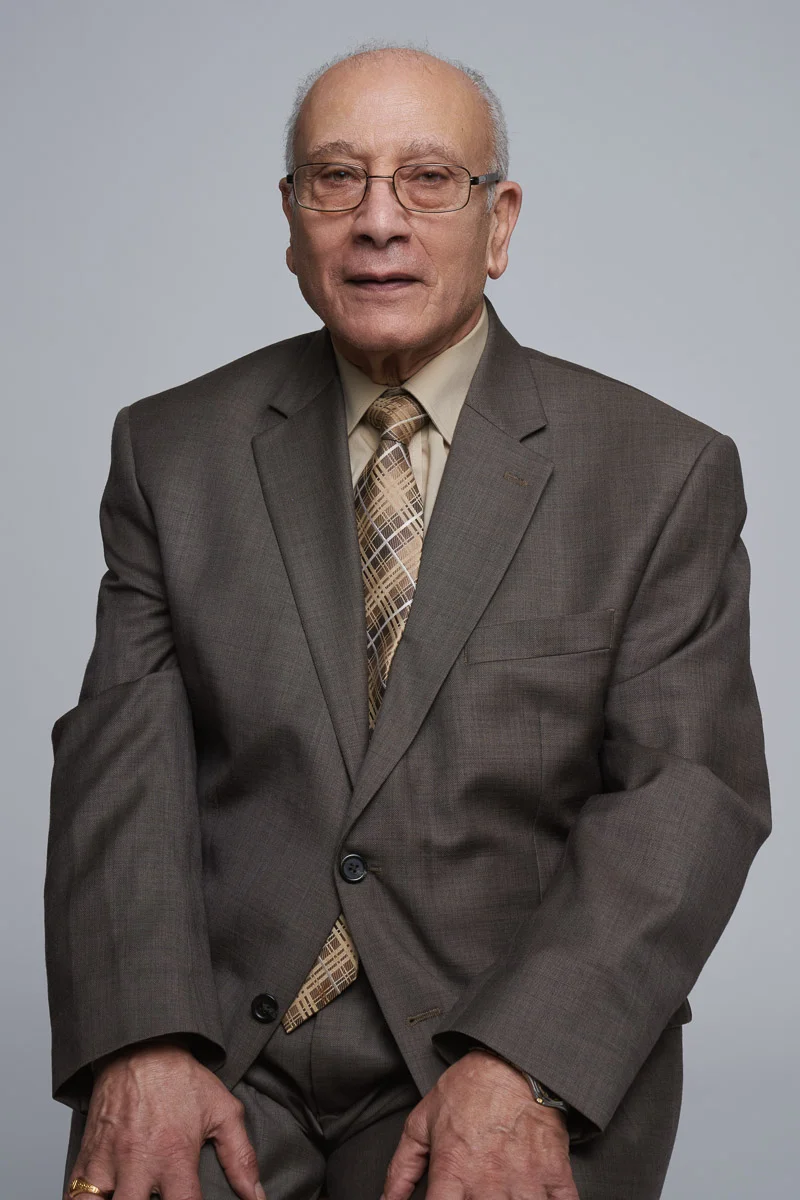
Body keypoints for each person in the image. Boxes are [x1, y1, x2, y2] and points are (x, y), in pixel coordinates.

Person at [45, 44, 771, 1200]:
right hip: (227, 1045)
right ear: (290, 223)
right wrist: (141, 1043)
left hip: (495, 1039)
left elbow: (687, 799)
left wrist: (521, 1064)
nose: (378, 221)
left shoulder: (659, 472)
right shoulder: (170, 452)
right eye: (336, 179)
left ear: (499, 222)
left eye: (428, 179)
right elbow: (120, 774)